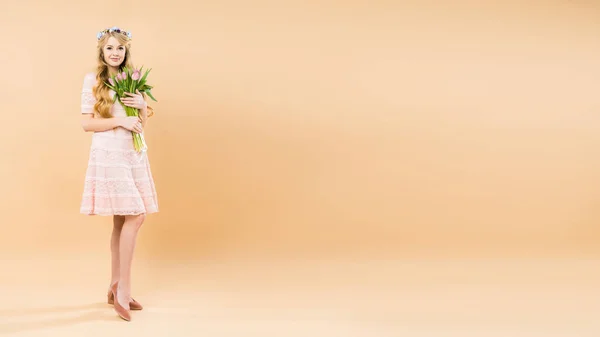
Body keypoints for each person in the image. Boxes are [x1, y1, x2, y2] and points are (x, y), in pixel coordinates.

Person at [79, 26, 159, 321]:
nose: (115, 53)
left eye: (120, 48)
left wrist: (141, 108)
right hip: (109, 153)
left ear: (126, 52)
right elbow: (86, 124)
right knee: (135, 215)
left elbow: (139, 125)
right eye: (110, 48)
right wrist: (119, 124)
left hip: (132, 153)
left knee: (122, 218)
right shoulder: (94, 79)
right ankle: (124, 288)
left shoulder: (131, 78)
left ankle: (114, 286)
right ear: (102, 51)